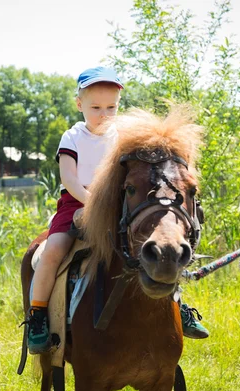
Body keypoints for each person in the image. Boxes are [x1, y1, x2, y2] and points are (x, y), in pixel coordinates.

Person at [25, 67, 208, 354]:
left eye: (111, 107)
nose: (104, 114)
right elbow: (69, 179)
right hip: (78, 201)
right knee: (53, 251)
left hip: (116, 204)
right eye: (96, 107)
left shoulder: (122, 139)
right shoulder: (72, 137)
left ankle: (177, 303)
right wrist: (93, 202)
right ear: (80, 105)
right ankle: (37, 316)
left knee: (154, 245)